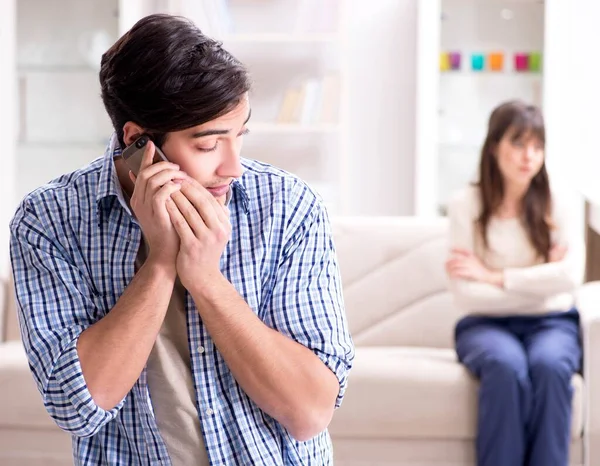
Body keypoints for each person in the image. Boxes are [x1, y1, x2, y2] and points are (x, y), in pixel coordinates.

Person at [9, 14, 354, 466]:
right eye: (208, 146)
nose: (232, 167)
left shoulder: (288, 208)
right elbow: (78, 405)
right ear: (138, 143)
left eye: (240, 136)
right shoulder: (49, 220)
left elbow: (310, 412)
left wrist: (206, 278)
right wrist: (160, 263)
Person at [445, 100, 584, 466]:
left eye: (538, 146)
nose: (529, 156)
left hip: (553, 323)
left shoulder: (560, 200)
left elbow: (570, 277)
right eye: (519, 143)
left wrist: (493, 276)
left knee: (551, 367)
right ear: (494, 146)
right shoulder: (465, 205)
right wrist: (540, 281)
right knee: (506, 367)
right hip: (484, 325)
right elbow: (465, 293)